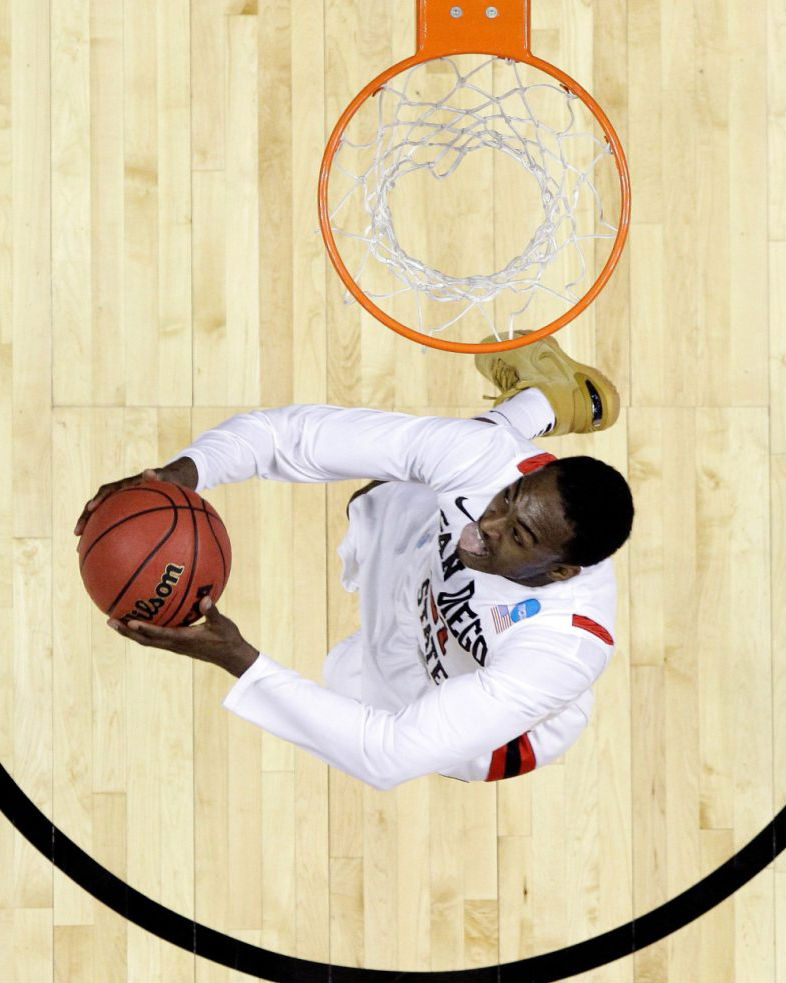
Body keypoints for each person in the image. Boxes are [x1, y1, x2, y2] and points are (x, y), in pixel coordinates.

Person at [74, 334, 633, 790]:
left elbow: (387, 754)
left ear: (561, 571)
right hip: (425, 581)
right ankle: (545, 400)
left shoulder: (561, 650)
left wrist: (237, 659)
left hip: (462, 700)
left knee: (348, 691)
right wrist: (182, 476)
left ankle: (540, 401)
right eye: (508, 498)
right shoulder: (492, 472)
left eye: (518, 533)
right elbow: (286, 436)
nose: (485, 525)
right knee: (399, 482)